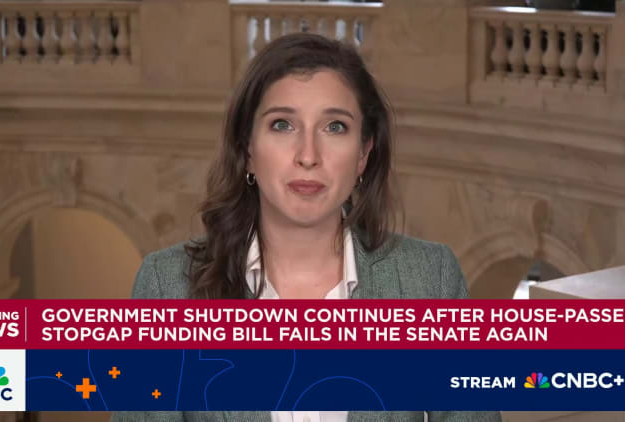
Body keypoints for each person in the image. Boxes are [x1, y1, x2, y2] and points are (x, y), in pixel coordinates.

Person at [113, 33, 501, 422]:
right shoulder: (167, 286)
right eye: (282, 124)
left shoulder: (430, 279)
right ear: (248, 148)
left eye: (335, 127)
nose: (308, 156)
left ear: (363, 153)